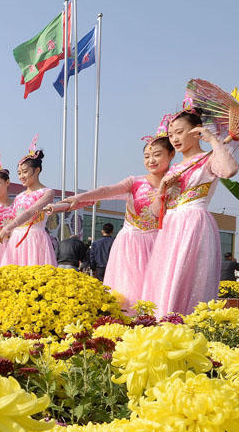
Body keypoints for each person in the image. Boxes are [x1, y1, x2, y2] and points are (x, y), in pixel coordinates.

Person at [44, 131, 175, 307]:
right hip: (132, 243)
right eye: (146, 156)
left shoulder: (177, 184)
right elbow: (106, 191)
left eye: (157, 155)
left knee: (157, 289)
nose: (151, 160)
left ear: (171, 154)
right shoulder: (134, 182)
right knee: (129, 292)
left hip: (160, 242)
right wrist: (79, 198)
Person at [141, 104, 238, 316]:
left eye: (179, 132)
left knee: (190, 277)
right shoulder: (173, 168)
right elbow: (156, 213)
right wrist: (163, 189)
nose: (174, 138)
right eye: (170, 134)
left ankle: (188, 323)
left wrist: (213, 139)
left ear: (196, 130)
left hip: (194, 222)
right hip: (170, 227)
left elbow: (229, 170)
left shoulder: (210, 158)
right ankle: (164, 322)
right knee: (167, 277)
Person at [0, 141, 57, 266]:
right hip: (16, 239)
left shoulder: (47, 192)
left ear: (37, 170)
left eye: (25, 172)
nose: (21, 176)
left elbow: (31, 211)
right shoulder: (19, 197)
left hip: (35, 239)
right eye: (19, 173)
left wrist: (7, 228)